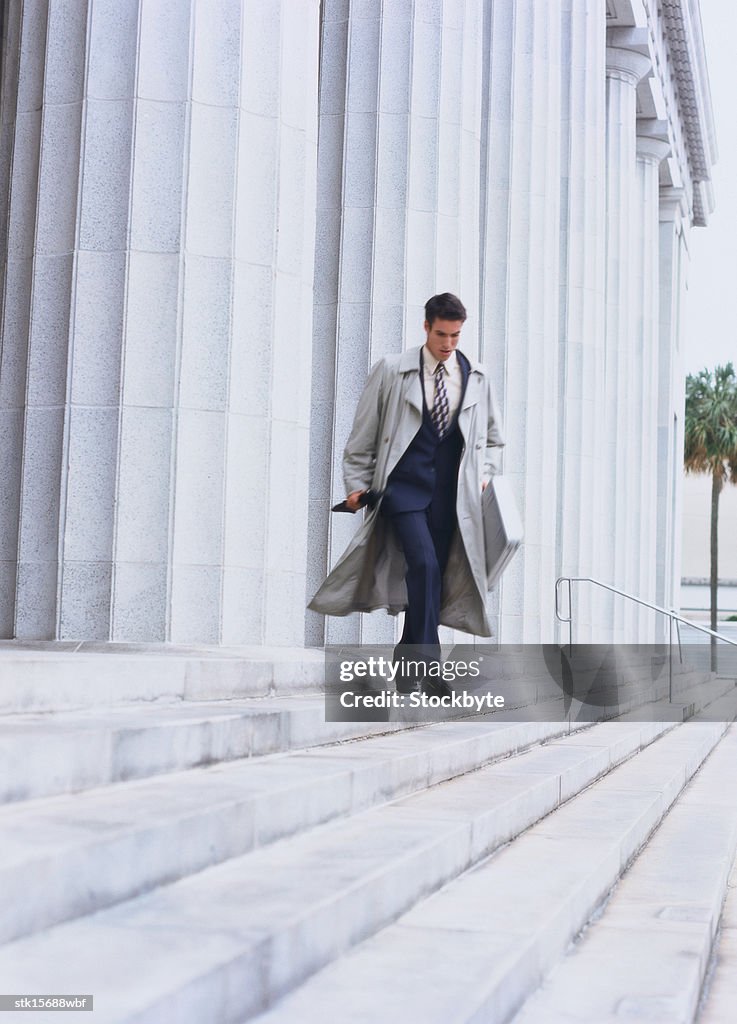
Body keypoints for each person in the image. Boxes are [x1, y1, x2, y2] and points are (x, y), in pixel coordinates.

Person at [309, 293, 504, 693]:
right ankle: (430, 671)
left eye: (455, 335)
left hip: (453, 496)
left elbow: (494, 440)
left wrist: (484, 473)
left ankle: (407, 658)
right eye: (441, 334)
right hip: (402, 489)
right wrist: (357, 484)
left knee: (431, 578)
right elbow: (363, 432)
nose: (448, 344)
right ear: (426, 327)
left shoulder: (476, 377)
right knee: (425, 566)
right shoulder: (392, 370)